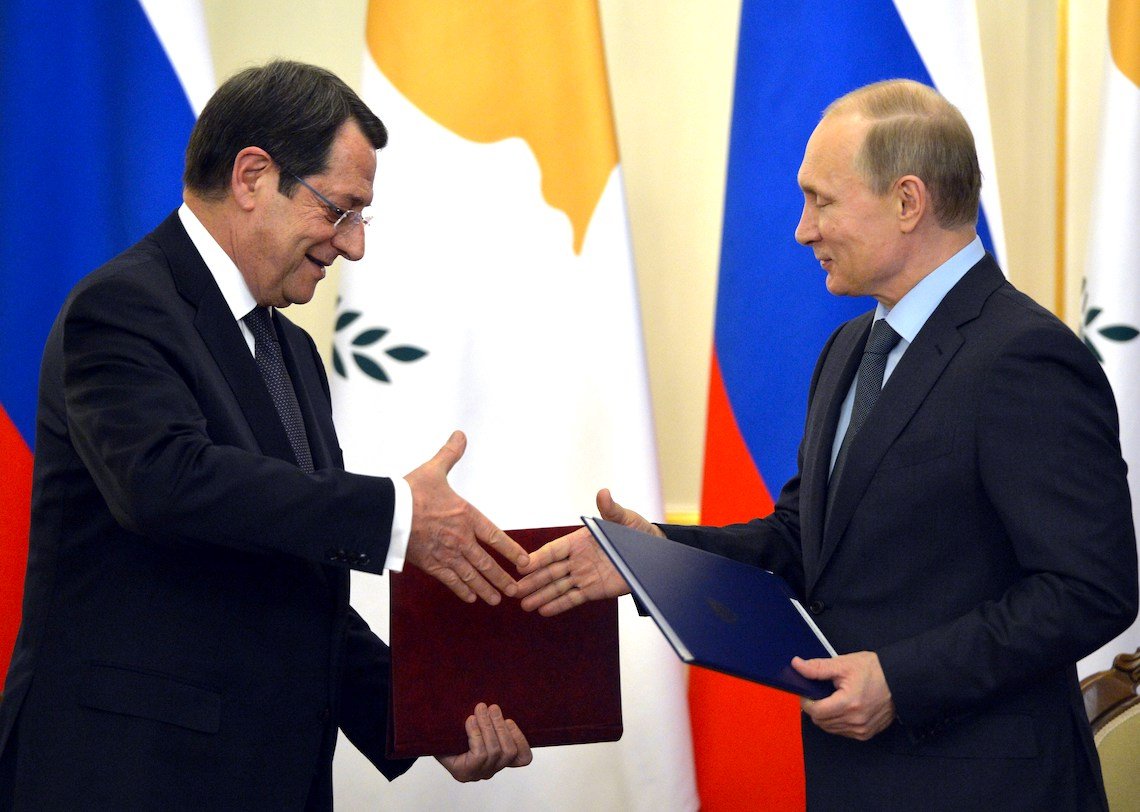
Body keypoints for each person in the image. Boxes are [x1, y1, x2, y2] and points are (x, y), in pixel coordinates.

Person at [518, 79, 1139, 810]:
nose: (801, 230)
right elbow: (805, 540)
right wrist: (655, 557)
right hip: (856, 780)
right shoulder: (850, 348)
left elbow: (1089, 589)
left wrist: (901, 682)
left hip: (987, 786)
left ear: (908, 202)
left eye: (822, 201)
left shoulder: (1024, 356)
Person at [0, 61, 534, 809]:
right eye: (340, 210)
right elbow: (165, 483)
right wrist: (396, 516)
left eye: (360, 219)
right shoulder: (122, 306)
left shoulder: (293, 354)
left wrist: (422, 720)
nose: (353, 247)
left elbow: (295, 580)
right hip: (129, 776)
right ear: (253, 176)